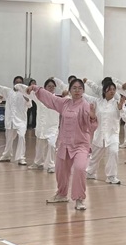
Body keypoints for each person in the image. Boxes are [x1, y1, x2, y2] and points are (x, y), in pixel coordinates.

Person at [29, 79, 97, 211]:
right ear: (69, 90)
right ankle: (61, 194)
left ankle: (79, 199)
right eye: (74, 88)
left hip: (81, 145)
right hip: (64, 144)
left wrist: (93, 117)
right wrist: (36, 88)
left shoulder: (86, 106)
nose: (77, 91)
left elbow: (91, 127)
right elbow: (51, 98)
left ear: (83, 90)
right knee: (61, 171)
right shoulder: (65, 103)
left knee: (79, 168)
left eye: (80, 88)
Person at [84, 82, 126, 185]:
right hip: (99, 134)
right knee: (95, 156)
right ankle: (90, 172)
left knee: (113, 152)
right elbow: (85, 96)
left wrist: (121, 108)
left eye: (113, 89)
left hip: (113, 134)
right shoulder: (97, 102)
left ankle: (111, 176)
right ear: (104, 90)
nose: (112, 91)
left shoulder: (117, 103)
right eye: (109, 89)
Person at [16, 80, 60, 173]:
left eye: (53, 86)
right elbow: (27, 92)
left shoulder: (57, 100)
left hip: (52, 127)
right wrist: (17, 86)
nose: (51, 88)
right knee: (40, 146)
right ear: (45, 88)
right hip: (41, 126)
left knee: (51, 145)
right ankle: (38, 163)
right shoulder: (39, 97)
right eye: (49, 86)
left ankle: (51, 165)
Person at [0, 76, 32, 165]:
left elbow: (30, 105)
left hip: (21, 120)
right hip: (10, 120)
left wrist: (27, 99)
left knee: (21, 137)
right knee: (9, 139)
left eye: (20, 82)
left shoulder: (26, 93)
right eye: (16, 82)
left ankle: (21, 158)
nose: (18, 84)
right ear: (13, 83)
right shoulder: (8, 92)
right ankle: (6, 155)